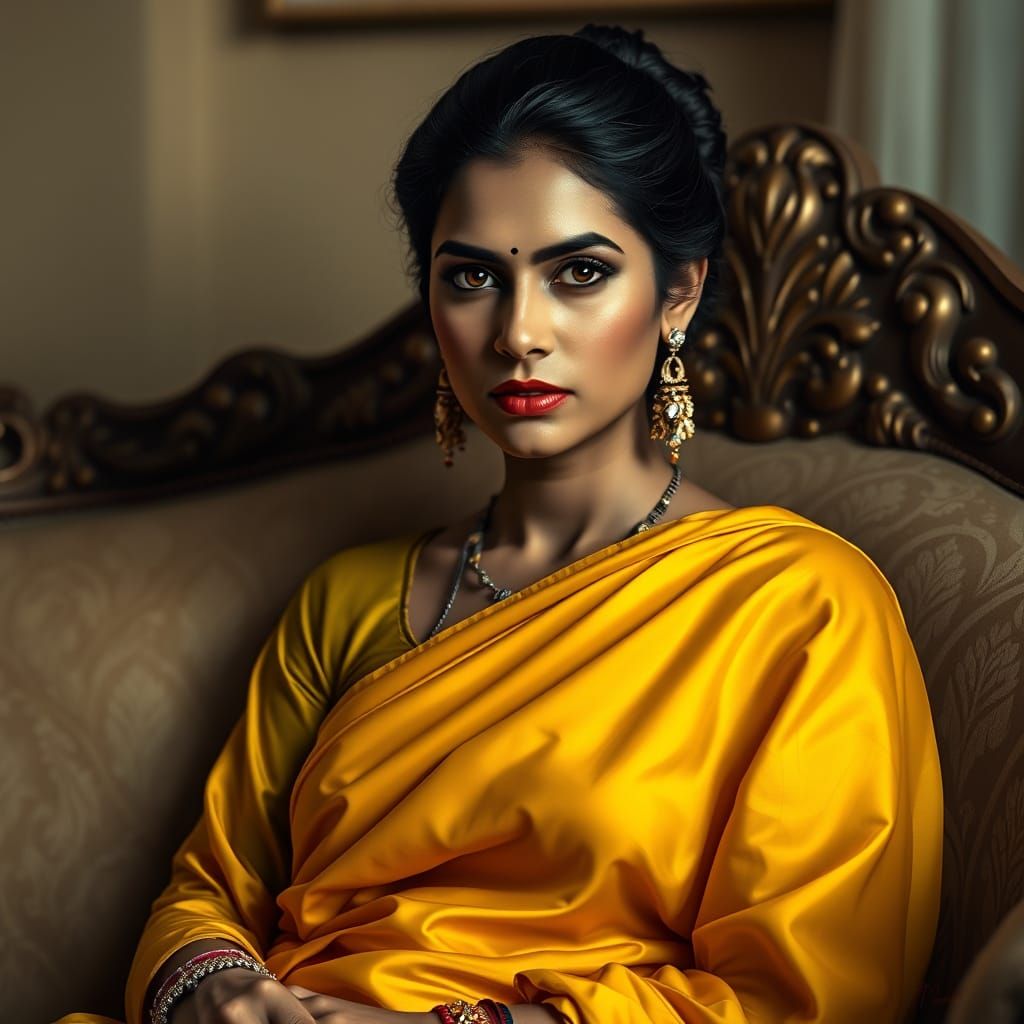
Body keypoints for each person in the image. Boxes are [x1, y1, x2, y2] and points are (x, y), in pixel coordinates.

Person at [57, 23, 943, 1024]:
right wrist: (212, 985)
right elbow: (209, 890)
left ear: (678, 293)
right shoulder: (345, 600)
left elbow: (801, 999)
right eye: (472, 276)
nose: (518, 332)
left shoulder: (797, 607)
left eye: (579, 273)